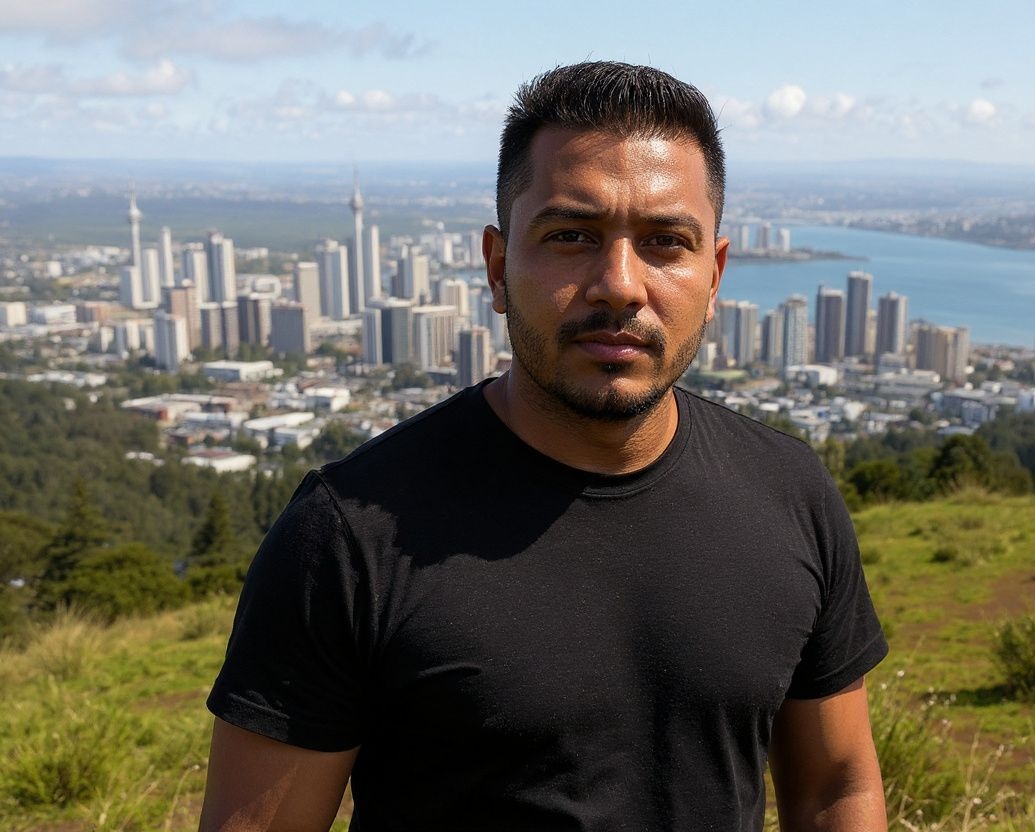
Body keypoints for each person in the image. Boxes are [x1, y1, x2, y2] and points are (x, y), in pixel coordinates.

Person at [200, 61, 889, 832]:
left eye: (666, 242)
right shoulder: (348, 538)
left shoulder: (790, 493)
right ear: (497, 268)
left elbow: (835, 787)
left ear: (714, 275)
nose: (619, 285)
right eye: (571, 237)